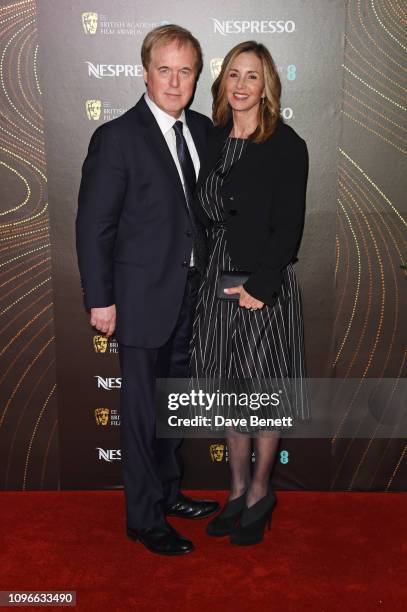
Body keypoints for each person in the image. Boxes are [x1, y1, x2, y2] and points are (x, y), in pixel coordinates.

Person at [76, 24, 219, 556]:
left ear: (196, 77)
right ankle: (142, 518)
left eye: (186, 71)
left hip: (191, 296)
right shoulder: (117, 137)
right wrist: (99, 297)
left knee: (174, 405)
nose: (175, 81)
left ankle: (168, 493)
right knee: (140, 412)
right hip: (137, 301)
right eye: (165, 69)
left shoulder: (203, 131)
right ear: (145, 71)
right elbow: (94, 226)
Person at [190, 41, 309, 546]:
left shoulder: (286, 143)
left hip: (263, 284)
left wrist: (261, 286)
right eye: (233, 75)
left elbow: (289, 226)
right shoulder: (211, 140)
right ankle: (236, 489)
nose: (241, 85)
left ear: (268, 87)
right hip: (216, 280)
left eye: (252, 77)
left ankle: (261, 492)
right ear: (223, 83)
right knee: (230, 389)